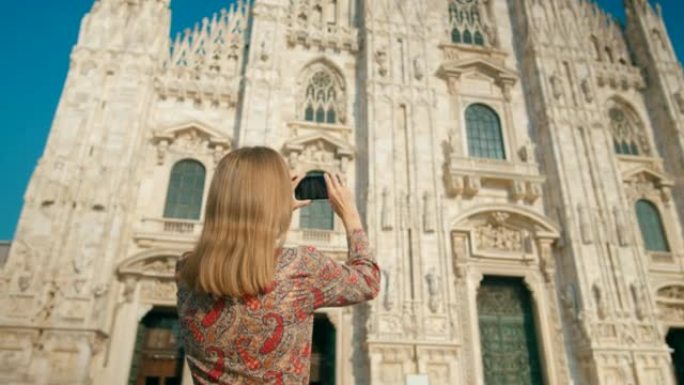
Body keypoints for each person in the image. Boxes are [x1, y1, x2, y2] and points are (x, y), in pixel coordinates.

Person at [175, 146, 380, 384]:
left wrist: (272, 212)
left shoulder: (185, 269)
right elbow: (368, 280)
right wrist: (350, 214)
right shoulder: (299, 267)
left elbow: (240, 257)